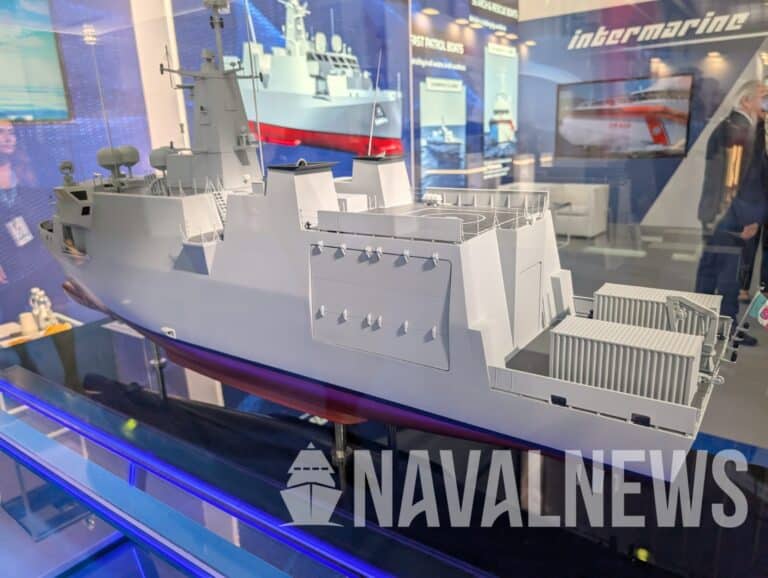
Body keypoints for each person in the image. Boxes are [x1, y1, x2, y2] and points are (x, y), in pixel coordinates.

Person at [696, 81, 768, 346]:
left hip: (722, 216)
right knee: (727, 276)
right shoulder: (737, 131)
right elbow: (732, 183)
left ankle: (703, 325)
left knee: (711, 271)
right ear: (746, 101)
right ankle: (724, 329)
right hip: (731, 218)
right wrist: (746, 220)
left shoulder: (740, 127)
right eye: (764, 97)